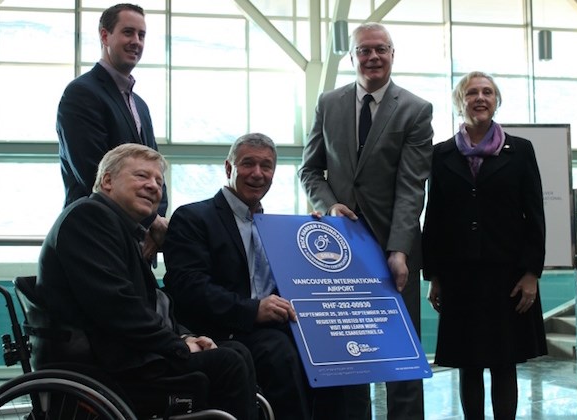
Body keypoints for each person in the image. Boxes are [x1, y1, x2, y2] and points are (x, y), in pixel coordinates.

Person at [36, 143, 258, 420]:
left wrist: (186, 336)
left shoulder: (122, 229)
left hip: (123, 353)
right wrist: (177, 346)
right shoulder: (89, 218)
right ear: (107, 181)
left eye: (159, 181)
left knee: (235, 350)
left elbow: (150, 304)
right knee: (228, 362)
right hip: (104, 364)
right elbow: (116, 307)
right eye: (142, 176)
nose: (154, 186)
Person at [298, 22, 433, 419]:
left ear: (392, 54)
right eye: (364, 50)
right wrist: (328, 205)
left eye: (381, 49)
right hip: (337, 248)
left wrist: (399, 250)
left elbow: (412, 187)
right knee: (349, 351)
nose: (373, 57)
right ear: (353, 56)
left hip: (396, 248)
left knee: (401, 354)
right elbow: (310, 171)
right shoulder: (328, 103)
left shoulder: (415, 109)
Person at [164, 133, 349, 420]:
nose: (258, 174)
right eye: (248, 164)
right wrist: (253, 310)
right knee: (281, 353)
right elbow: (190, 287)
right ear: (229, 168)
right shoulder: (193, 218)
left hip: (273, 326)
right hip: (223, 328)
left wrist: (318, 232)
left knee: (334, 347)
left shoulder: (277, 228)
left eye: (267, 166)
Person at [422, 71, 548, 419]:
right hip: (459, 275)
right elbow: (434, 218)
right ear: (460, 102)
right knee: (468, 364)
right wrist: (433, 275)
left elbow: (534, 215)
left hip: (507, 276)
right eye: (472, 92)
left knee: (504, 362)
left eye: (488, 92)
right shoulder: (442, 154)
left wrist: (531, 273)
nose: (480, 97)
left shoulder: (520, 150)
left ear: (496, 100)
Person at [56, 3, 167, 262]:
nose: (136, 42)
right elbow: (91, 172)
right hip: (93, 235)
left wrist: (155, 221)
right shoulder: (81, 93)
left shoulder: (140, 105)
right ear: (105, 36)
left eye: (141, 35)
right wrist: (151, 221)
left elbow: (156, 171)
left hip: (135, 239)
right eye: (128, 32)